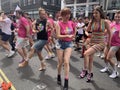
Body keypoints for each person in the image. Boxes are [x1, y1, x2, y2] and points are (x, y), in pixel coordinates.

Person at [79, 6, 111, 82]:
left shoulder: (105, 22)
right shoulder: (92, 21)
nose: (94, 14)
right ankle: (90, 73)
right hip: (91, 42)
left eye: (96, 13)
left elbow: (110, 32)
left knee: (86, 53)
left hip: (100, 43)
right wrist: (88, 34)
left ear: (100, 13)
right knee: (90, 59)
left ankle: (84, 70)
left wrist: (109, 42)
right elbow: (86, 31)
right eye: (93, 13)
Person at [55, 8, 76, 90]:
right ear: (62, 15)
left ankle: (66, 82)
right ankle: (59, 75)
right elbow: (58, 36)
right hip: (60, 44)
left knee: (66, 62)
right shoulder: (58, 24)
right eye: (65, 14)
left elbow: (75, 31)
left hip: (69, 44)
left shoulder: (72, 23)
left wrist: (73, 35)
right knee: (60, 63)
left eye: (69, 14)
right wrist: (67, 36)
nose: (67, 16)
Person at [106, 11, 120, 78]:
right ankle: (106, 67)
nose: (117, 18)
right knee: (105, 56)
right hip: (108, 42)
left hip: (116, 44)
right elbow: (107, 32)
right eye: (116, 17)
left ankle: (115, 72)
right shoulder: (112, 24)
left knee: (109, 58)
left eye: (119, 17)